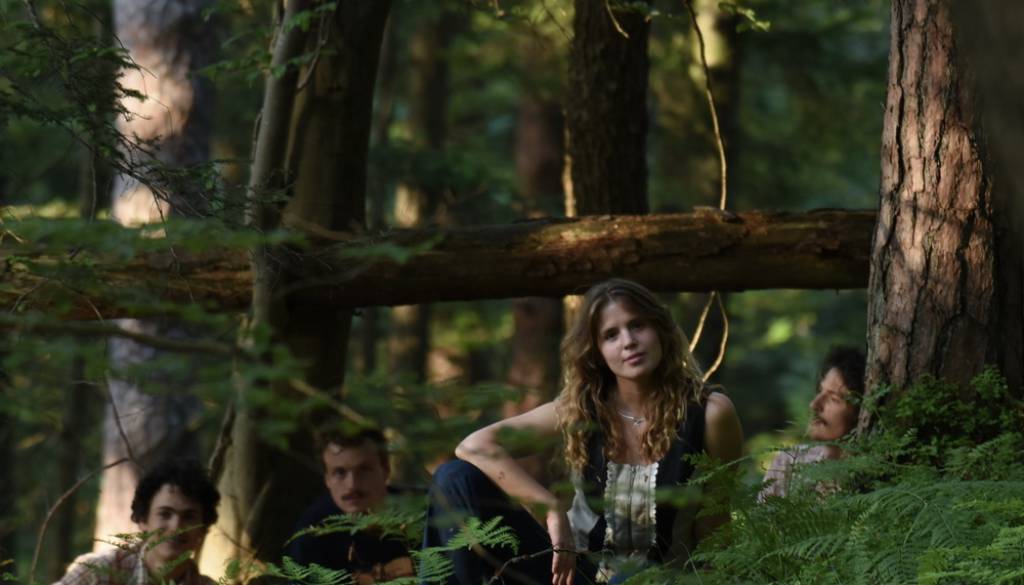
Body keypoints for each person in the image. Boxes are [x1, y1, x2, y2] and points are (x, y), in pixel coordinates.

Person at [423, 278, 745, 585]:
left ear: (660, 329)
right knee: (454, 478)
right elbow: (473, 446)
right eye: (611, 335)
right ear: (597, 351)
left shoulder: (709, 415)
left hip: (659, 580)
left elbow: (714, 530)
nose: (628, 341)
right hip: (575, 576)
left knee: (633, 576)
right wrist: (550, 508)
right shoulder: (582, 409)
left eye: (637, 325)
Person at [54, 459, 220, 585]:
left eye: (189, 517)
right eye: (165, 514)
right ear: (143, 520)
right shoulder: (97, 574)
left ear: (204, 528)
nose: (176, 527)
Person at [287, 428, 415, 585]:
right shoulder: (313, 530)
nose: (352, 485)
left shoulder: (423, 512)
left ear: (386, 470)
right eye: (340, 472)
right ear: (327, 479)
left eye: (364, 470)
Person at [759, 346, 866, 500]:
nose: (814, 405)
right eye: (820, 391)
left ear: (862, 413)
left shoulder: (871, 478)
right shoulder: (788, 462)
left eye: (833, 398)